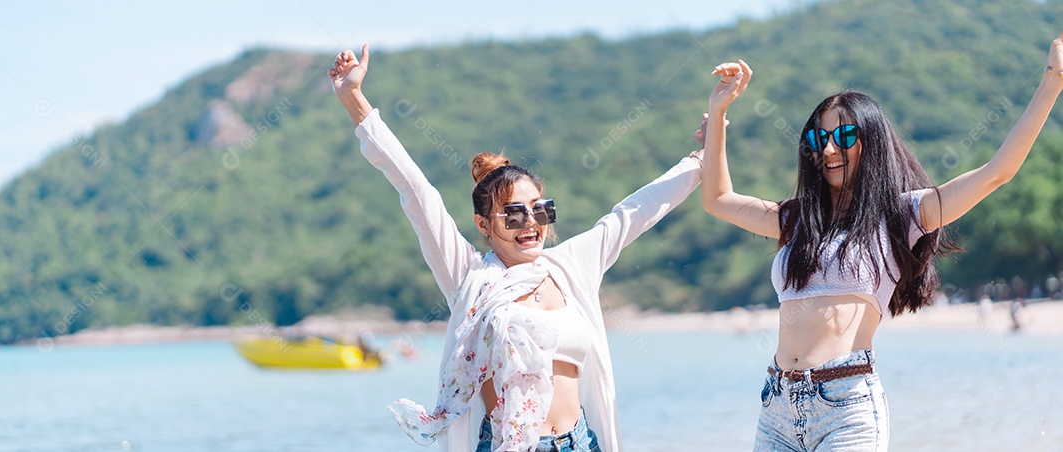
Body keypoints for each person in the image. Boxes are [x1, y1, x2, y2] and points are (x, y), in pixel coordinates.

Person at [695, 31, 1063, 450]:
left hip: (846, 405)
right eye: (820, 139)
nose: (830, 148)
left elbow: (997, 172)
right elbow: (718, 199)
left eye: (845, 136)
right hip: (776, 406)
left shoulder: (901, 215)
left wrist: (1052, 78)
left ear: (870, 142)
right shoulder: (796, 219)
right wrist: (718, 112)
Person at [328, 44, 705, 452]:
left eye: (540, 210)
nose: (530, 223)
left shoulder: (570, 265)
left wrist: (703, 158)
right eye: (513, 214)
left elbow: (635, 211)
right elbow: (416, 190)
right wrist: (354, 98)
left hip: (581, 442)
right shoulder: (470, 278)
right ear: (483, 225)